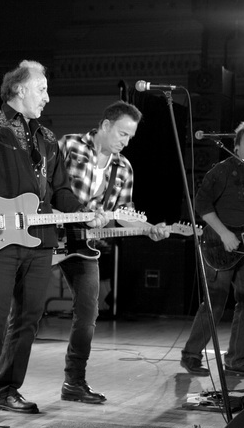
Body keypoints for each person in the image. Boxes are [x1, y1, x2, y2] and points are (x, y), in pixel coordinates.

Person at [0, 60, 107, 423]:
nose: (47, 97)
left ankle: (6, 390)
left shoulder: (47, 138)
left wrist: (83, 213)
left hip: (39, 240)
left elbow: (60, 191)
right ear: (19, 89)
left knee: (28, 319)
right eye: (42, 89)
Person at [58, 100, 170, 403]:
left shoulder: (124, 167)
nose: (126, 142)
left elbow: (124, 214)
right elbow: (43, 187)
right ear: (105, 125)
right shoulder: (69, 145)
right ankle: (4, 387)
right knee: (24, 313)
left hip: (83, 244)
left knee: (88, 313)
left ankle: (74, 382)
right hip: (46, 235)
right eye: (122, 134)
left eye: (130, 137)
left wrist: (149, 228)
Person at [181, 120, 244, 377]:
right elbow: (201, 204)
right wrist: (224, 233)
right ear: (236, 146)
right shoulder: (222, 170)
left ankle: (236, 359)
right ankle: (191, 355)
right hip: (218, 244)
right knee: (215, 302)